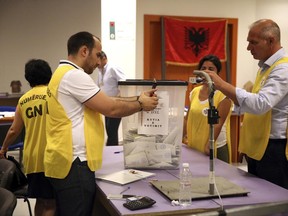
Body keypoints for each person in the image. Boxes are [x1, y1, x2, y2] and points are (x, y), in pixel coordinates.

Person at [44, 31, 158, 216]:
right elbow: (110, 109)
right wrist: (140, 105)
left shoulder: (62, 73)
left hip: (64, 160)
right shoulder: (74, 76)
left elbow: (104, 100)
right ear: (84, 51)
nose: (99, 61)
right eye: (97, 54)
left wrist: (137, 97)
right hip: (74, 164)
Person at [204, 19, 288, 189]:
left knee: (274, 202)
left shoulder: (283, 69)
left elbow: (260, 104)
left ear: (271, 40)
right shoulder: (265, 68)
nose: (249, 48)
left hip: (273, 150)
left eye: (253, 42)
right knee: (258, 198)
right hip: (259, 147)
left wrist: (222, 85)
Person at [0, 59, 56, 216]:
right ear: (49, 74)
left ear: (28, 78)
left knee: (40, 200)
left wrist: (4, 148)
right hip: (52, 156)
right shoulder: (55, 95)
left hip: (32, 158)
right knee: (51, 202)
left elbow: (13, 130)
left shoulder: (23, 100)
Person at [183, 55, 232, 163]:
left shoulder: (224, 94)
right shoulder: (194, 92)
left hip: (215, 146)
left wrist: (209, 144)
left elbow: (218, 123)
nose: (206, 71)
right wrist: (185, 136)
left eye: (211, 69)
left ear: (217, 72)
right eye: (203, 68)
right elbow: (188, 118)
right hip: (195, 145)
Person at [96, 51, 126, 146]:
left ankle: (111, 153)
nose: (96, 64)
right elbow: (99, 85)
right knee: (109, 130)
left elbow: (124, 82)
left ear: (104, 58)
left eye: (98, 61)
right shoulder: (100, 71)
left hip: (116, 104)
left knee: (112, 131)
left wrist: (120, 97)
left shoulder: (113, 68)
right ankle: (111, 152)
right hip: (107, 104)